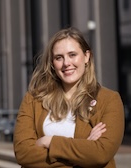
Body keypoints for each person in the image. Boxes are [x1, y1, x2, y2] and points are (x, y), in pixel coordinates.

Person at [13, 27, 125, 168]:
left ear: (86, 56)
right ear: (52, 63)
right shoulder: (33, 99)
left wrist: (50, 142)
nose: (66, 63)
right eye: (59, 57)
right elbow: (23, 153)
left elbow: (101, 153)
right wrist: (83, 152)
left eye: (72, 55)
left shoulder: (109, 100)